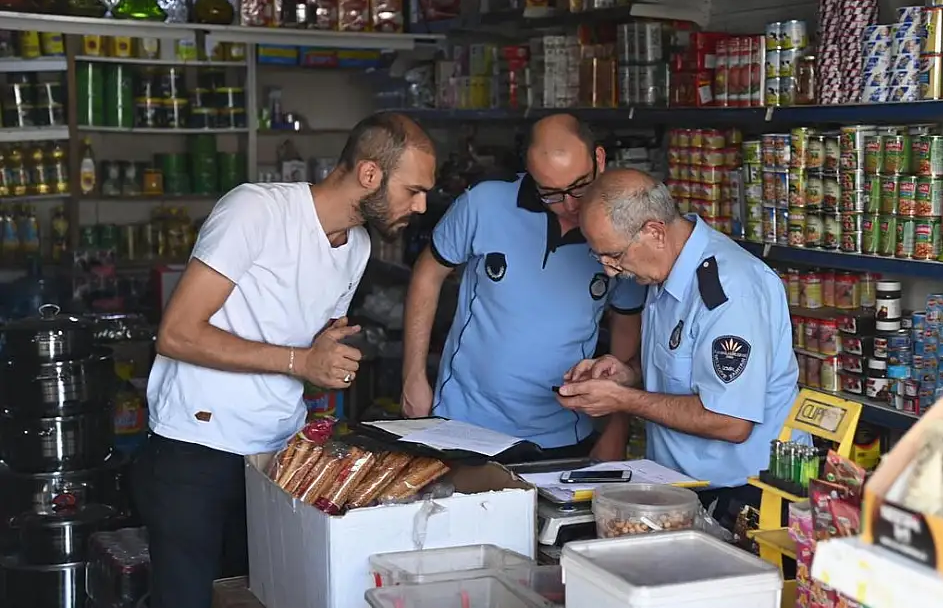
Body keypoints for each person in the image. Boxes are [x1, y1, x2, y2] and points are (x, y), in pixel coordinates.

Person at [133, 113, 437, 608]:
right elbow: (177, 333)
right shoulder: (257, 210)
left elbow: (305, 344)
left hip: (278, 454)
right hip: (197, 449)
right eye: (414, 190)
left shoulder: (356, 246)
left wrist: (326, 354)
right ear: (369, 174)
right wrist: (301, 361)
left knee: (260, 595)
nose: (421, 206)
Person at [557, 168, 808, 526]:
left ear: (654, 232)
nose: (611, 271)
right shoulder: (666, 270)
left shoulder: (728, 291)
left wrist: (623, 401)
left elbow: (731, 421)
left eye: (614, 255)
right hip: (684, 486)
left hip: (746, 498)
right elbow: (687, 362)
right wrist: (627, 374)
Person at [402, 114, 646, 461]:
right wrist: (413, 376)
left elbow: (626, 324)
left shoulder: (622, 231)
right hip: (464, 421)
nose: (571, 205)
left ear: (600, 160)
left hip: (565, 430)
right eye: (551, 193)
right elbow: (427, 274)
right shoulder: (484, 204)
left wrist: (616, 427)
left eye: (580, 186)